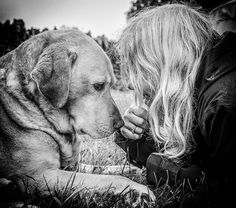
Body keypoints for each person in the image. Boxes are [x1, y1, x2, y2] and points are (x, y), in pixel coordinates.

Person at [115, 3, 236, 208]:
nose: (129, 84)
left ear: (168, 60)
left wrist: (163, 170)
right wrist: (139, 137)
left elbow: (218, 185)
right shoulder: (203, 86)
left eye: (140, 67)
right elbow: (196, 155)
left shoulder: (224, 101)